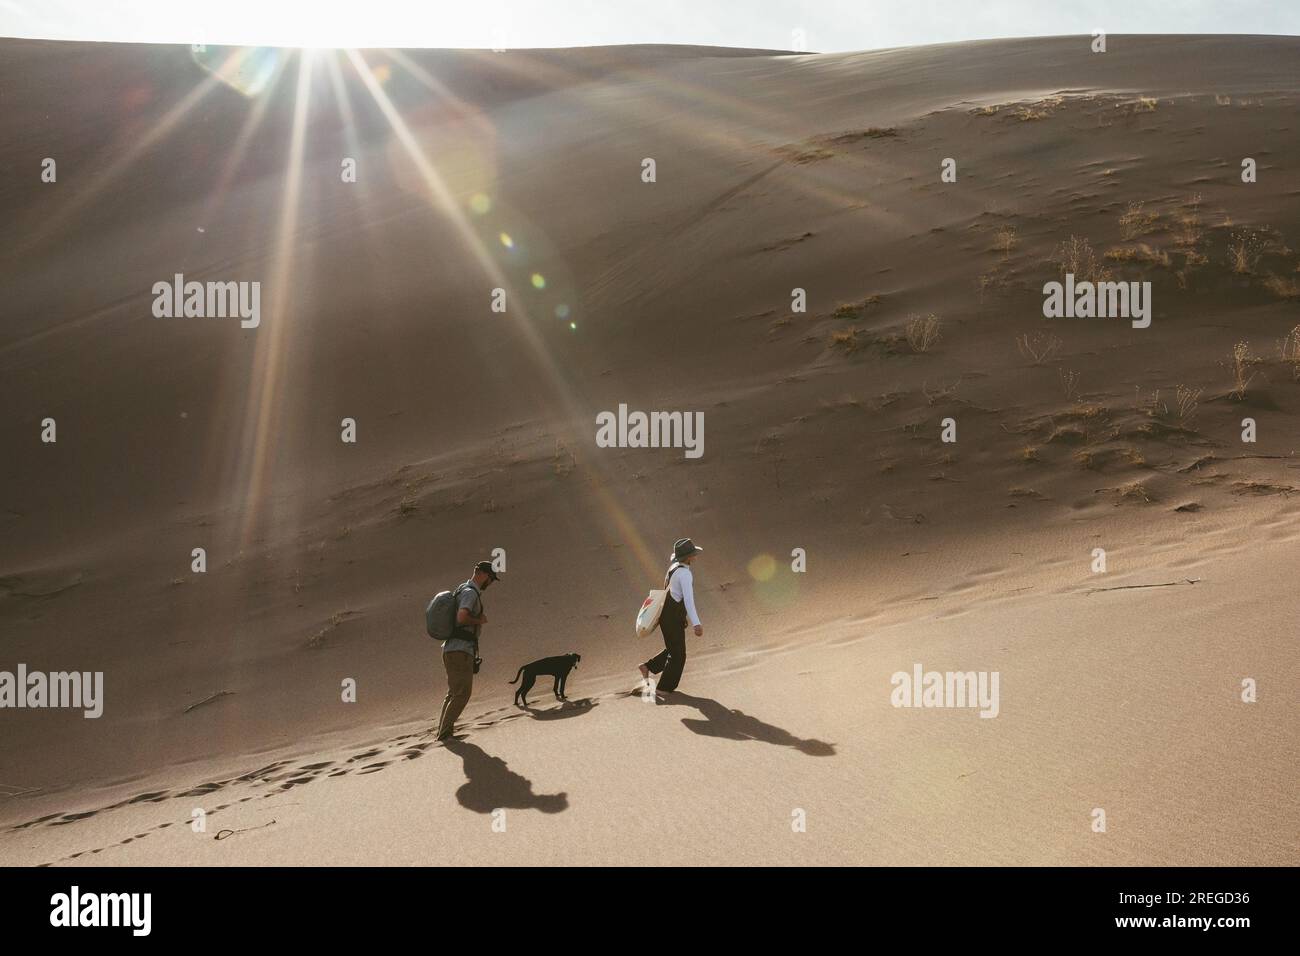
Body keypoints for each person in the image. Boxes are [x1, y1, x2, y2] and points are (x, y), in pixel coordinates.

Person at [437, 560, 499, 741]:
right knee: (462, 693)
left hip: (451, 648)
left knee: (453, 693)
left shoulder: (461, 589)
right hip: (460, 650)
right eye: (492, 579)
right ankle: (444, 734)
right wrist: (479, 620)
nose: (491, 583)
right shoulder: (470, 594)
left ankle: (443, 731)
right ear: (484, 575)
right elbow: (462, 617)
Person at [639, 538, 703, 696]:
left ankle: (648, 667)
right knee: (678, 655)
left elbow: (674, 594)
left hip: (668, 614)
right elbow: (688, 600)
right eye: (694, 554)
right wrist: (697, 624)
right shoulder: (685, 574)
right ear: (689, 557)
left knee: (674, 648)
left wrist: (683, 616)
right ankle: (663, 688)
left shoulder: (674, 568)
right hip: (672, 617)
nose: (695, 556)